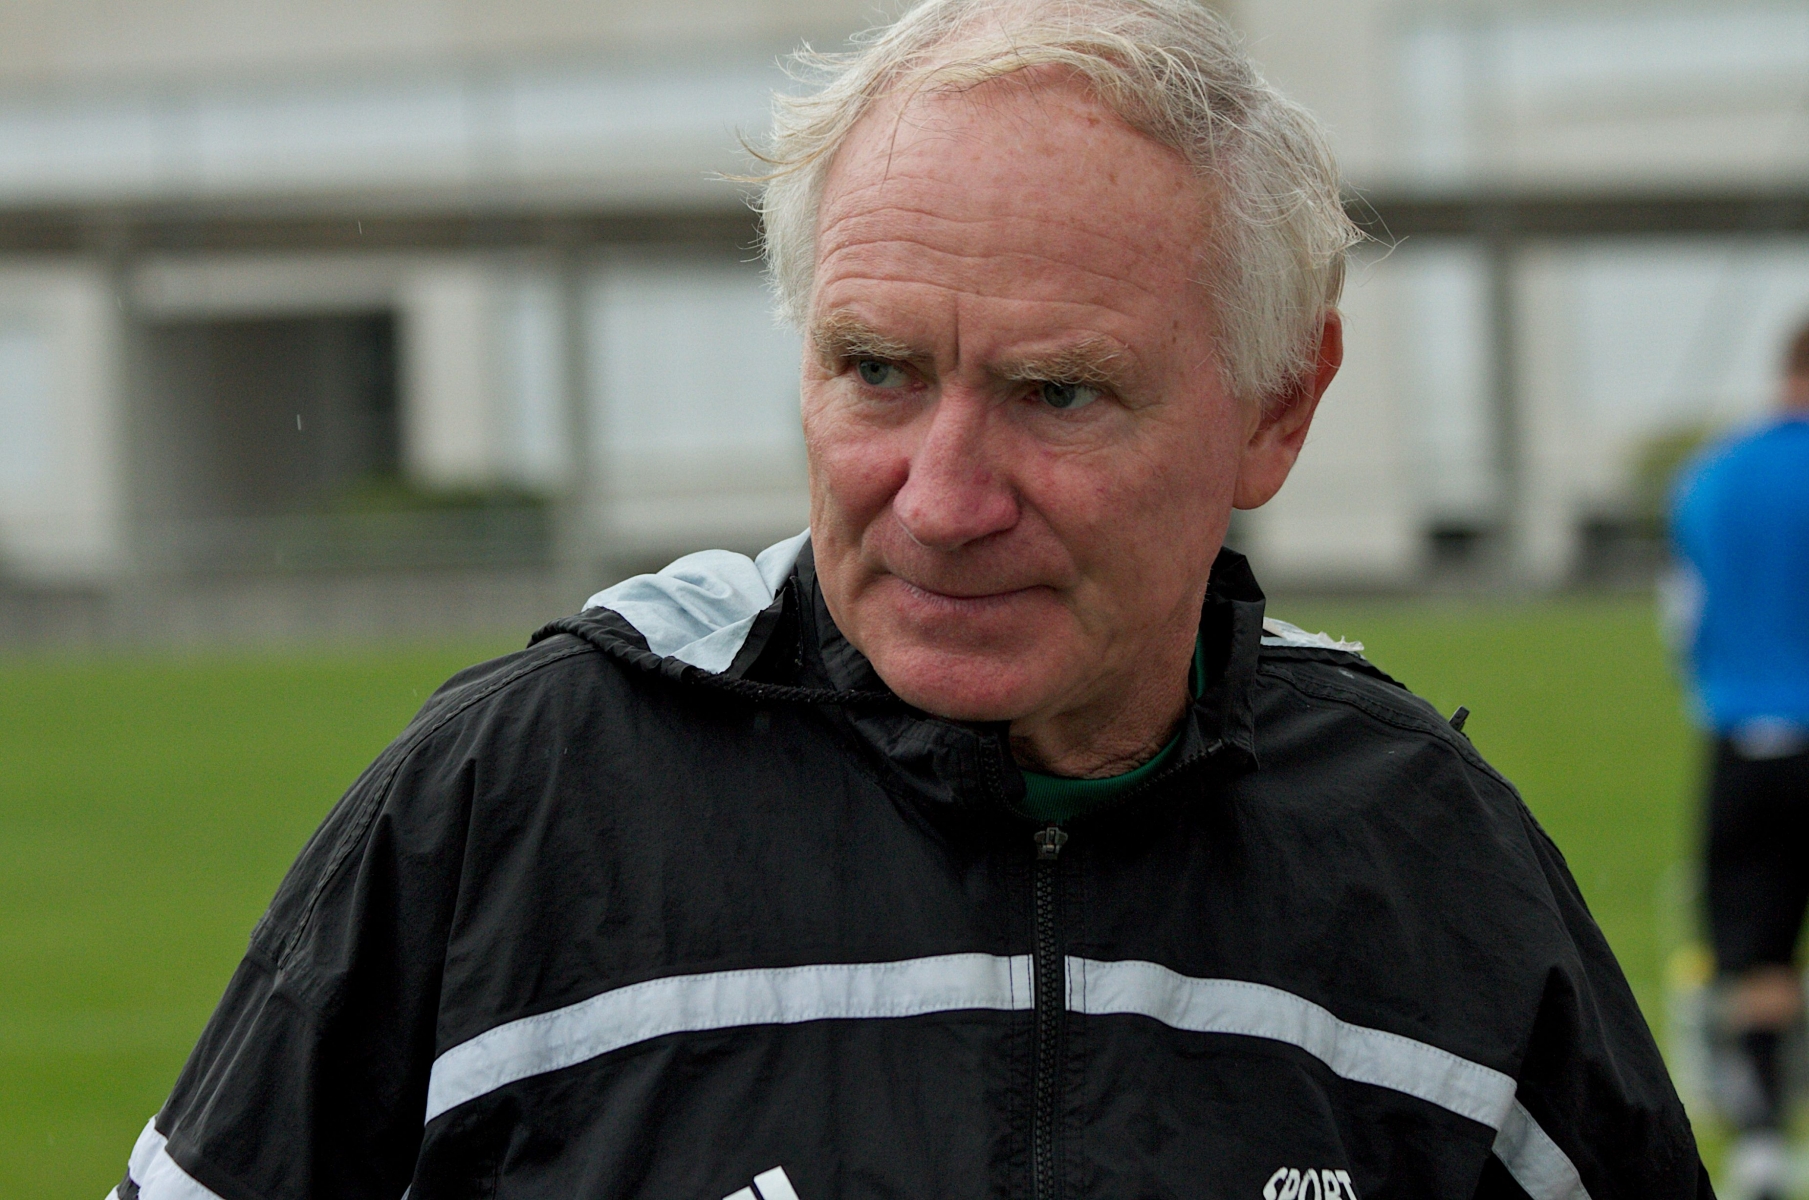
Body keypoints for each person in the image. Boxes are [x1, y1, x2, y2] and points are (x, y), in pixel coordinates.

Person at [113, 1, 1708, 1197]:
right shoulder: (510, 809)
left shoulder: (1433, 867)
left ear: (1278, 408)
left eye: (1059, 393)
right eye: (876, 371)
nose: (941, 501)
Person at [1671, 320, 1809, 1200]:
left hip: (1743, 740)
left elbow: (1683, 624)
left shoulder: (1710, 478)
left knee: (1753, 948)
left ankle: (1759, 1137)